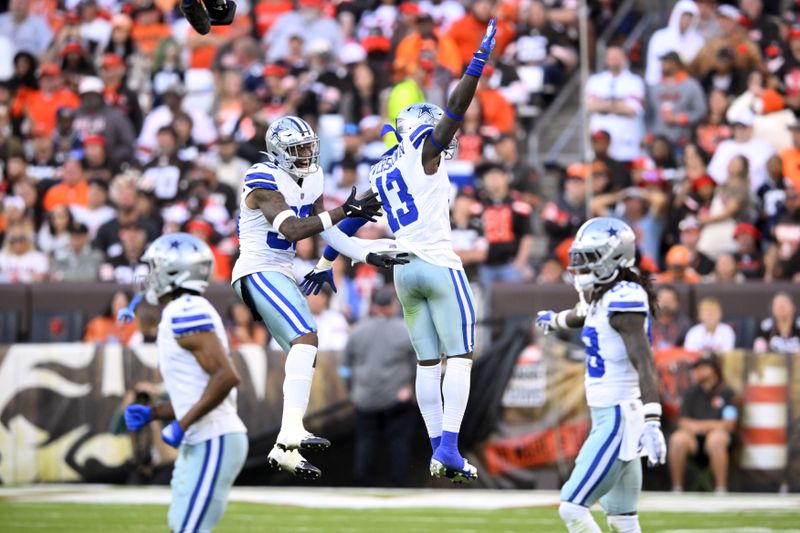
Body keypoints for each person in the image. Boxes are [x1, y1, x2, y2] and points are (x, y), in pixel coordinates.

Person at [302, 20, 498, 484]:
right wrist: (477, 63)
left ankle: (435, 449)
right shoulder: (422, 152)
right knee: (461, 358)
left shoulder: (382, 167)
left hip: (403, 272)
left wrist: (326, 262)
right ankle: (449, 445)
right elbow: (456, 106)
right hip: (437, 263)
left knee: (428, 364)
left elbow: (347, 220)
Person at [230, 115, 404, 478]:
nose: (307, 155)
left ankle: (283, 447)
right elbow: (294, 229)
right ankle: (293, 428)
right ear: (278, 152)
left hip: (280, 271)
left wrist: (365, 254)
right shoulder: (261, 179)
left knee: (303, 350)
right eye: (298, 149)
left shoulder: (312, 177)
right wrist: (343, 211)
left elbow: (327, 228)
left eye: (309, 147)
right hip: (257, 268)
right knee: (307, 336)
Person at [535, 217, 666, 533]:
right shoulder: (602, 294)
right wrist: (556, 321)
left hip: (619, 417)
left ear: (614, 257)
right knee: (623, 518)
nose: (579, 266)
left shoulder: (625, 299)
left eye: (588, 257)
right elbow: (583, 315)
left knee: (572, 508)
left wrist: (653, 421)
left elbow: (645, 363)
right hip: (613, 415)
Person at [123, 233, 247, 533]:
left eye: (154, 267)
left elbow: (227, 376)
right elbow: (195, 393)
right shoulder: (180, 311)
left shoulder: (186, 310)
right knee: (181, 527)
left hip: (213, 436)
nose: (149, 276)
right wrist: (154, 414)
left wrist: (182, 424)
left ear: (175, 271)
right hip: (202, 438)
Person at [342, 286, 416, 487]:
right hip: (397, 398)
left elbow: (345, 367)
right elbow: (417, 366)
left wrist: (351, 391)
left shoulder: (357, 331)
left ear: (374, 306)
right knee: (398, 442)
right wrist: (411, 390)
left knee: (366, 442)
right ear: (391, 306)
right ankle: (400, 485)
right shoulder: (405, 331)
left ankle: (363, 484)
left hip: (364, 397)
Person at [668, 354, 738, 494]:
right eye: (697, 368)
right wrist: (703, 427)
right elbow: (682, 421)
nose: (699, 371)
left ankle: (721, 488)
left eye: (703, 367)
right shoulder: (690, 392)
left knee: (716, 439)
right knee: (677, 439)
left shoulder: (727, 392)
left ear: (714, 369)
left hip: (719, 442)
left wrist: (702, 427)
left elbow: (729, 424)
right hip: (693, 441)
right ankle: (677, 488)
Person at [586, 47, 645, 162]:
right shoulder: (595, 80)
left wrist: (603, 103)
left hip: (626, 135)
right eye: (611, 57)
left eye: (618, 56)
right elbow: (591, 106)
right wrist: (620, 103)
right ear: (605, 60)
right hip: (601, 135)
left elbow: (632, 108)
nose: (614, 60)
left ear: (624, 59)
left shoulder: (634, 81)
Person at [644, 0, 703, 86]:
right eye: (684, 16)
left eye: (690, 17)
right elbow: (653, 67)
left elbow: (696, 69)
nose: (686, 20)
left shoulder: (699, 41)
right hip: (661, 85)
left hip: (686, 86)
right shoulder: (660, 37)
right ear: (677, 15)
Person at [651, 285, 692, 350]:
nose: (665, 303)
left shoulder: (685, 324)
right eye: (662, 299)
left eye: (669, 300)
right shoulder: (646, 321)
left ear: (677, 303)